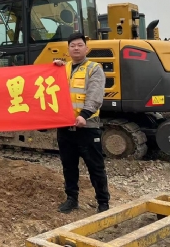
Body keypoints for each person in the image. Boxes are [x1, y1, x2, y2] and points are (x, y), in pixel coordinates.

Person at [53, 32, 110, 214]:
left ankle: (103, 203)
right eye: (72, 45)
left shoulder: (94, 69)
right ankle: (72, 199)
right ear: (68, 49)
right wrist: (53, 68)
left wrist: (84, 115)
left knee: (95, 167)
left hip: (87, 127)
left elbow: (95, 95)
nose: (76, 48)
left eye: (79, 45)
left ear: (86, 48)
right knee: (69, 167)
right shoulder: (63, 69)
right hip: (65, 128)